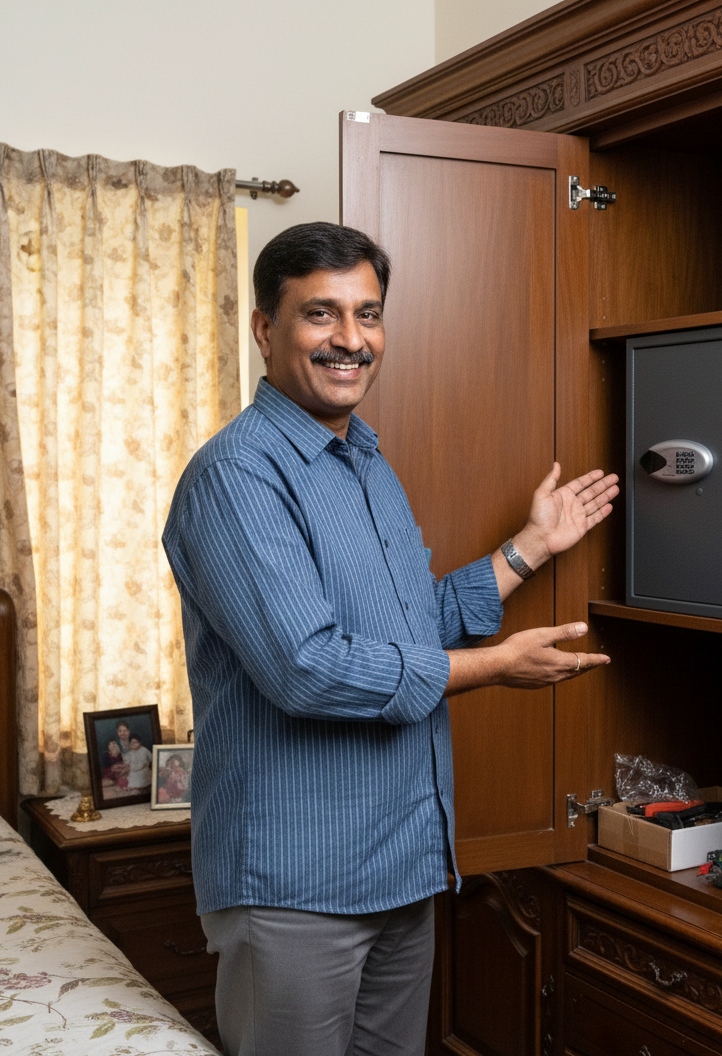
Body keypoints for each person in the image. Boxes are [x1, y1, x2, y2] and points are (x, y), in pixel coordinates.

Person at [162, 221, 619, 1056]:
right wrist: (494, 667)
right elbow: (310, 668)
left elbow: (409, 628)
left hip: (401, 869)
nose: (350, 341)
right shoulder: (236, 476)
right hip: (295, 885)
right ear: (265, 328)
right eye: (321, 316)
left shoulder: (368, 463)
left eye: (368, 316)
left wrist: (529, 547)